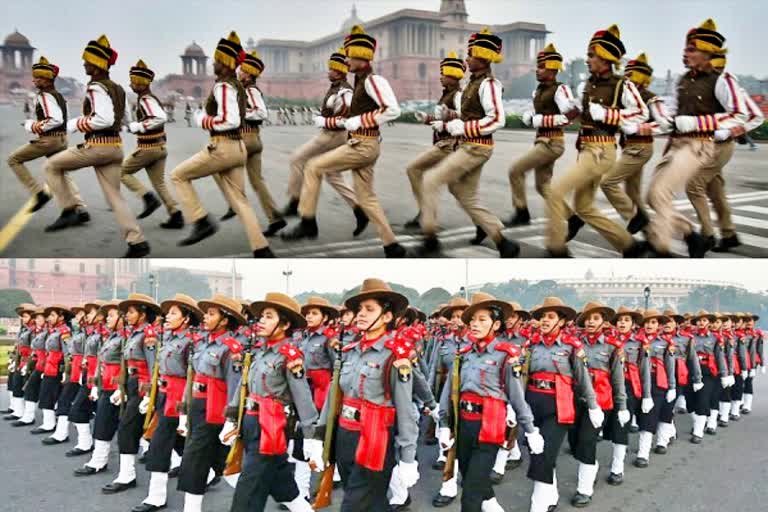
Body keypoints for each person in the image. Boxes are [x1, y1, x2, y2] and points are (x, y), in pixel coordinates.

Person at [282, 26, 407, 259]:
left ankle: (307, 222)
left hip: (363, 145)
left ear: (361, 56)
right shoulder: (361, 81)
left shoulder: (372, 80)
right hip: (362, 143)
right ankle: (392, 246)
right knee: (367, 199)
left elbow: (392, 110)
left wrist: (358, 121)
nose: (346, 59)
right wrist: (348, 121)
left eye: (349, 55)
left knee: (313, 166)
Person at [314, 278, 419, 511]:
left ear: (387, 317)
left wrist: (408, 456)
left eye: (369, 309)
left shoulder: (395, 356)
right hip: (345, 435)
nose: (360, 314)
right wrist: (319, 434)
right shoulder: (350, 351)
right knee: (374, 504)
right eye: (359, 309)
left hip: (376, 438)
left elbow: (405, 410)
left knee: (353, 504)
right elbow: (335, 394)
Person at [645, 19, 747, 257]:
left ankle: (659, 246)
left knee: (666, 192)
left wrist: (700, 123)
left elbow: (740, 114)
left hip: (700, 145)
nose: (685, 52)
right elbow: (674, 112)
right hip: (678, 144)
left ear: (707, 53)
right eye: (686, 48)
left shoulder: (721, 80)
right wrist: (661, 117)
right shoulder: (682, 80)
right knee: (651, 196)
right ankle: (693, 235)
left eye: (691, 49)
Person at [544, 25, 647, 258]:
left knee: (555, 191)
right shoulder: (588, 85)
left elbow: (641, 113)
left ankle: (556, 248)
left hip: (601, 150)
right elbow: (579, 115)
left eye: (591, 55)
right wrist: (569, 113)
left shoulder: (622, 85)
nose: (588, 59)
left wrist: (607, 114)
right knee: (584, 207)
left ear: (606, 57)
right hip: (587, 148)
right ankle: (629, 246)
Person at [43, 35, 150, 257]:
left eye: (87, 61)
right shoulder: (119, 89)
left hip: (97, 147)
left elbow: (104, 119)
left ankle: (70, 209)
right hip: (115, 148)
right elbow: (125, 119)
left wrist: (75, 123)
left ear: (97, 64)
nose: (84, 64)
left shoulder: (96, 88)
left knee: (52, 166)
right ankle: (137, 241)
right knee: (116, 197)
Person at [171, 31, 274, 258]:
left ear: (225, 62)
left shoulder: (223, 86)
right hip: (238, 147)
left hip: (223, 146)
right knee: (240, 201)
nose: (214, 63)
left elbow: (231, 120)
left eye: (217, 60)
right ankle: (262, 248)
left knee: (178, 176)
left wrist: (203, 120)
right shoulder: (236, 85)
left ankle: (200, 220)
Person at [436, 292, 543, 512]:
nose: (474, 324)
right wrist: (444, 425)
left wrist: (530, 430)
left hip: (490, 426)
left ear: (495, 324)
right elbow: (449, 392)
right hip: (464, 424)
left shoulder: (506, 355)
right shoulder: (463, 354)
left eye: (482, 319)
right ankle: (493, 507)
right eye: (473, 320)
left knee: (470, 495)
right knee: (470, 476)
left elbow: (516, 395)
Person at [418, 29, 519, 257]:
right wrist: (449, 118)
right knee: (463, 193)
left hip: (477, 146)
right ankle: (502, 241)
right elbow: (468, 116)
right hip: (469, 144)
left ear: (483, 57)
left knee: (430, 180)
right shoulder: (473, 85)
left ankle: (430, 237)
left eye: (471, 55)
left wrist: (464, 127)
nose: (467, 59)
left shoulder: (489, 84)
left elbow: (496, 119)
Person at [224, 293, 319, 512]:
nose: (261, 321)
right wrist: (231, 416)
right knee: (283, 486)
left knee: (248, 492)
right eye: (261, 316)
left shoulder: (290, 355)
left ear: (284, 324)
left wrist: (312, 438)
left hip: (271, 427)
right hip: (251, 423)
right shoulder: (260, 350)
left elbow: (303, 398)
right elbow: (244, 384)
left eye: (269, 316)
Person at [524, 297, 601, 512]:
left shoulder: (572, 346)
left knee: (544, 453)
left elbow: (582, 377)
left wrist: (593, 406)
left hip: (559, 406)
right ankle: (550, 495)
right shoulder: (530, 345)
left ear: (561, 321)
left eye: (550, 317)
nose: (545, 321)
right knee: (537, 452)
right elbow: (521, 377)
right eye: (542, 317)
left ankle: (537, 505)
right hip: (532, 404)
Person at [283, 48, 364, 236]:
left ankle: (295, 203)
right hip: (333, 134)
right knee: (333, 175)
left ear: (339, 70)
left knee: (297, 159)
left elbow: (346, 118)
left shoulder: (345, 92)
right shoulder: (337, 88)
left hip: (332, 135)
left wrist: (324, 121)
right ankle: (360, 210)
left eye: (331, 69)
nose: (328, 72)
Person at [132, 294, 202, 512]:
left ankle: (156, 496)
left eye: (174, 313)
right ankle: (207, 473)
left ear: (187, 319)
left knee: (160, 443)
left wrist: (183, 407)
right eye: (168, 312)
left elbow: (194, 375)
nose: (168, 316)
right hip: (164, 393)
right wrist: (150, 396)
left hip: (179, 398)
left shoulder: (191, 342)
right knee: (175, 443)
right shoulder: (169, 338)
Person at [176, 294, 245, 512]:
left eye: (212, 314)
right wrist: (184, 410)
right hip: (198, 409)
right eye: (206, 313)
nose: (205, 317)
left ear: (224, 320)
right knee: (213, 462)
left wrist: (231, 419)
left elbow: (235, 386)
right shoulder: (203, 343)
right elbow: (193, 377)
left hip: (214, 412)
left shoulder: (231, 349)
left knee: (194, 462)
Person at [508, 43, 578, 226]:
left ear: (553, 69)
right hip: (543, 141)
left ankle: (521, 213)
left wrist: (540, 120)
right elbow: (541, 114)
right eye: (537, 66)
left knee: (515, 170)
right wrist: (531, 117)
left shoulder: (560, 90)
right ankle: (572, 218)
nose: (536, 70)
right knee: (542, 186)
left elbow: (571, 116)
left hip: (552, 142)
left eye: (541, 66)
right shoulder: (538, 91)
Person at [219, 50, 287, 238]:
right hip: (254, 139)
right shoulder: (247, 90)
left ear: (248, 74)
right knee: (257, 182)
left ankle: (235, 206)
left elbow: (261, 112)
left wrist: (238, 116)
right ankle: (275, 217)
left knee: (218, 168)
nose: (239, 73)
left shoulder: (250, 90)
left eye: (242, 71)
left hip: (246, 139)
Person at [600, 53, 670, 235]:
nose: (626, 79)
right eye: (626, 75)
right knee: (633, 194)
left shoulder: (649, 97)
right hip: (629, 147)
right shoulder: (627, 99)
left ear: (640, 77)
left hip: (640, 147)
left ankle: (636, 218)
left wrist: (640, 128)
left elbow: (666, 123)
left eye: (630, 76)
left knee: (608, 183)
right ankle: (652, 235)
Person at [100, 294, 161, 494]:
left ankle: (128, 476)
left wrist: (148, 395)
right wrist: (122, 388)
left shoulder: (148, 335)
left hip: (142, 386)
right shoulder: (133, 333)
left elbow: (153, 367)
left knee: (127, 428)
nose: (127, 315)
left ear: (143, 315)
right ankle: (209, 473)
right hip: (131, 383)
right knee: (155, 432)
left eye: (132, 312)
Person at [8, 56, 85, 214]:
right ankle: (79, 207)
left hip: (49, 140)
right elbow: (64, 118)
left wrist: (32, 125)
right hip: (61, 138)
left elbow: (55, 119)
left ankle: (38, 193)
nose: (34, 81)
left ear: (46, 79)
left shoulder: (44, 96)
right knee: (61, 170)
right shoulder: (59, 95)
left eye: (37, 78)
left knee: (14, 159)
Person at [569, 302, 627, 507]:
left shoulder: (613, 347)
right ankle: (590, 466)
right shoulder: (575, 343)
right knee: (575, 443)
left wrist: (622, 406)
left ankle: (584, 489)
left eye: (595, 318)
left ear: (603, 321)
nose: (590, 322)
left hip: (600, 403)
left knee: (586, 441)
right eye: (588, 318)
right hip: (576, 401)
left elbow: (618, 379)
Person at [404, 51, 465, 229]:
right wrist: (427, 118)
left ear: (454, 76)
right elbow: (443, 118)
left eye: (444, 74)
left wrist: (449, 117)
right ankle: (482, 223)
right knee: (458, 190)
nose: (440, 78)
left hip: (449, 144)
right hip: (444, 143)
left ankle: (426, 213)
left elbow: (466, 117)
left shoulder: (458, 96)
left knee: (414, 169)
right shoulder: (447, 94)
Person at [121, 59, 183, 229]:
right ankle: (175, 214)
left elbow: (159, 118)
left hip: (149, 149)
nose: (131, 84)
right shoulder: (149, 98)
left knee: (122, 173)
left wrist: (138, 126)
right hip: (160, 147)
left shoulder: (145, 100)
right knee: (159, 183)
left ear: (141, 83)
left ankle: (147, 198)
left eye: (133, 81)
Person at [74, 300, 125, 476]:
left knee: (150, 431)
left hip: (118, 387)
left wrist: (121, 387)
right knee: (103, 422)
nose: (108, 319)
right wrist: (96, 384)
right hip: (106, 384)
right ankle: (98, 460)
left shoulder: (126, 338)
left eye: (112, 315)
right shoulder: (111, 336)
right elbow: (101, 361)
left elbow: (131, 366)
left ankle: (207, 469)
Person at [605, 306, 649, 485]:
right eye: (620, 320)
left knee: (621, 426)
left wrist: (647, 395)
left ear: (632, 324)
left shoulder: (640, 343)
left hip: (629, 387)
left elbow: (644, 370)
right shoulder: (607, 341)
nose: (622, 323)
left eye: (627, 320)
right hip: (607, 386)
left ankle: (617, 467)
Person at [66, 300, 106, 457]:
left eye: (89, 312)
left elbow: (103, 358)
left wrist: (96, 381)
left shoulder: (103, 334)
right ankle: (85, 443)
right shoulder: (91, 333)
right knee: (80, 409)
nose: (83, 316)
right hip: (89, 374)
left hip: (99, 377)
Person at [43, 304, 87, 445]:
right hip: (75, 370)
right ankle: (62, 433)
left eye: (81, 314)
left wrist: (65, 371)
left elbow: (67, 352)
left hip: (83, 371)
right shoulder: (80, 332)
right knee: (65, 401)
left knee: (74, 403)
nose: (78, 317)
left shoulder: (67, 332)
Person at [32, 304, 73, 435]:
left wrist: (66, 373)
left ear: (61, 317)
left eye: (53, 315)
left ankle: (51, 425)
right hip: (49, 367)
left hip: (57, 369)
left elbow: (68, 353)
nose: (49, 318)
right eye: (49, 315)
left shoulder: (64, 332)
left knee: (51, 395)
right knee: (45, 394)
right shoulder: (53, 331)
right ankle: (48, 423)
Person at [688, 310, 727, 442]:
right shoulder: (690, 337)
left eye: (704, 320)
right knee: (690, 401)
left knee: (703, 399)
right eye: (699, 320)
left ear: (709, 322)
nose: (701, 323)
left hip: (708, 371)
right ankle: (699, 421)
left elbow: (720, 357)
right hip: (691, 370)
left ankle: (698, 432)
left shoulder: (716, 339)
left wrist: (725, 374)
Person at [3, 303, 35, 420]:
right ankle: (17, 409)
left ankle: (25, 413)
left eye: (25, 316)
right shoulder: (24, 329)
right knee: (15, 383)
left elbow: (33, 348)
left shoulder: (33, 330)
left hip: (28, 361)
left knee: (25, 386)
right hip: (19, 360)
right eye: (22, 316)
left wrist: (28, 363)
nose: (22, 318)